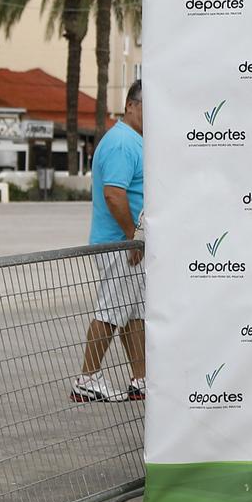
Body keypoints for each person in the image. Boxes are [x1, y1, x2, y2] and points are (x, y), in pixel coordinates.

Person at [73, 80, 146, 403]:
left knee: (133, 313)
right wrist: (132, 236)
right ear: (130, 105)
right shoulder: (122, 143)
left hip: (130, 245)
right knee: (111, 310)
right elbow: (114, 194)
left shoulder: (134, 140)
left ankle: (141, 379)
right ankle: (87, 378)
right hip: (120, 244)